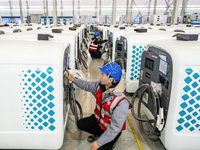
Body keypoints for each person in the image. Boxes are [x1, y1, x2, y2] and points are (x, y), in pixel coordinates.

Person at [65, 62, 132, 150]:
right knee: (81, 124)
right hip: (99, 122)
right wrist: (73, 80)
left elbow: (115, 128)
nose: (100, 77)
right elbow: (87, 85)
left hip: (111, 129)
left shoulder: (121, 102)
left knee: (99, 148)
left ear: (110, 80)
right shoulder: (100, 86)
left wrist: (98, 143)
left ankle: (110, 141)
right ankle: (101, 135)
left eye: (103, 75)